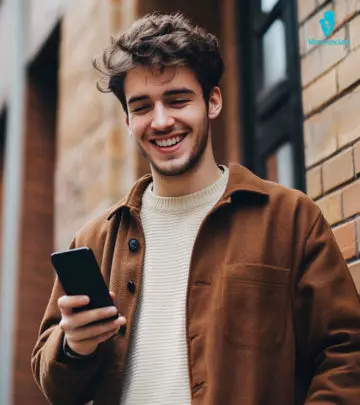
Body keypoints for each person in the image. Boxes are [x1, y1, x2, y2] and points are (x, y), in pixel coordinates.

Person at [31, 12, 360, 405]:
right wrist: (72, 346)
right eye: (142, 107)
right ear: (127, 120)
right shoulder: (96, 240)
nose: (161, 120)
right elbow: (54, 386)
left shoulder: (291, 218)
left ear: (213, 101)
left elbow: (346, 354)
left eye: (177, 99)